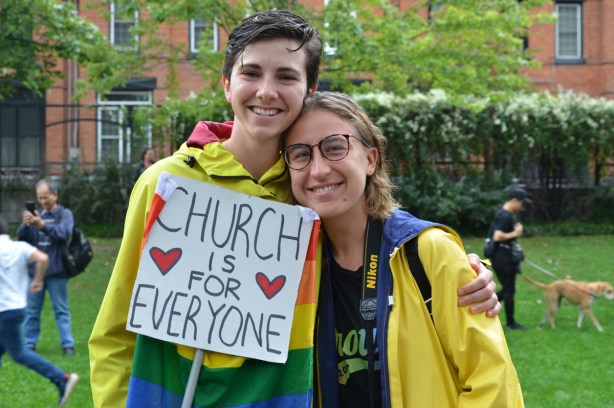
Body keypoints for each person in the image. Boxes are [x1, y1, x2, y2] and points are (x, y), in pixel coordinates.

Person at [89, 10, 498, 407]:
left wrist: (465, 271)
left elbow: (376, 238)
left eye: (286, 76)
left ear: (309, 89)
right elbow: (115, 332)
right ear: (227, 85)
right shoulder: (169, 183)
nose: (266, 90)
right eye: (251, 73)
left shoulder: (308, 188)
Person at [281, 91, 523, 406]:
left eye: (335, 148)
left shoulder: (428, 252)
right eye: (301, 154)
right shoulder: (294, 267)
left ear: (370, 160)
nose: (318, 170)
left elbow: (493, 386)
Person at [0, 215, 79, 407]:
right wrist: (37, 280)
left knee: (19, 353)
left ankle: (62, 378)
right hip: (17, 308)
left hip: (4, 311)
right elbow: (42, 258)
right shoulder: (19, 247)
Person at [17, 179, 76, 356]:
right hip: (35, 272)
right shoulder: (37, 214)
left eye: (46, 197)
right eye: (40, 198)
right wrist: (25, 224)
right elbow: (22, 240)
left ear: (55, 194)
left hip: (57, 271)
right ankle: (29, 344)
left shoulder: (64, 214)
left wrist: (42, 225)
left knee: (61, 310)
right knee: (31, 311)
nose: (43, 202)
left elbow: (64, 234)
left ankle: (68, 345)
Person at [489, 187, 532, 330]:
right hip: (502, 257)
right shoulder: (505, 216)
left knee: (508, 289)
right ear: (514, 200)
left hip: (502, 256)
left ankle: (487, 304)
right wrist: (515, 233)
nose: (522, 207)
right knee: (508, 290)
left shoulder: (506, 215)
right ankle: (510, 323)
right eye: (521, 203)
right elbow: (497, 236)